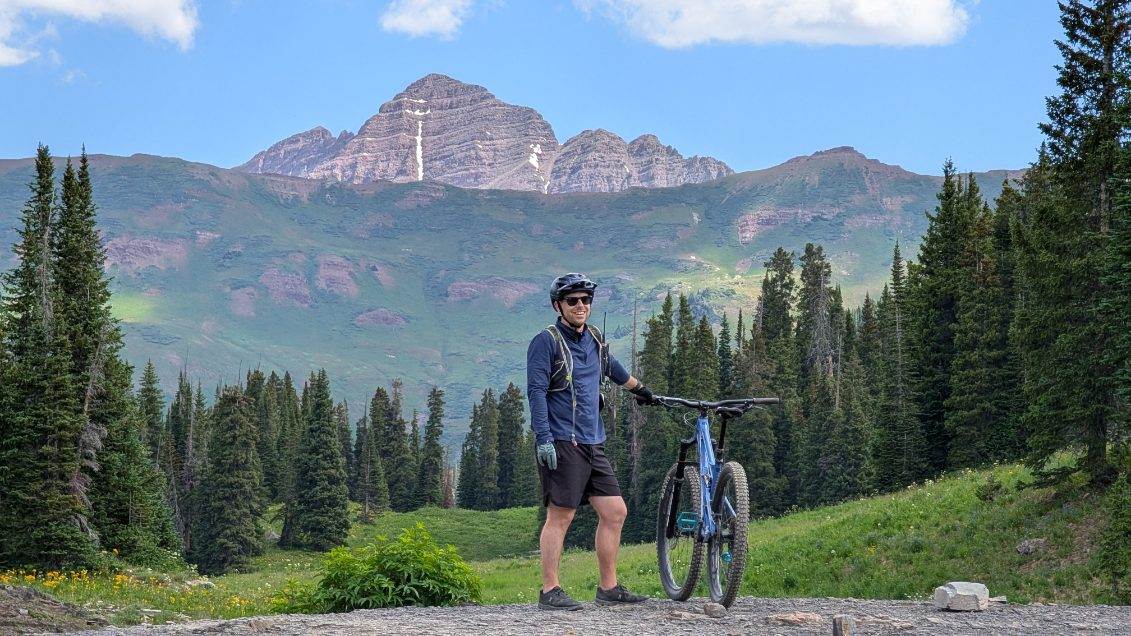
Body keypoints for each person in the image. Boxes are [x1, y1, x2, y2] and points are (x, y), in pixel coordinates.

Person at [526, 272, 656, 611]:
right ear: (558, 306)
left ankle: (608, 588)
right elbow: (536, 392)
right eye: (572, 300)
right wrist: (543, 439)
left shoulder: (594, 337)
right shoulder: (546, 341)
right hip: (562, 441)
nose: (580, 305)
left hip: (592, 441)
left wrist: (640, 389)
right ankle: (550, 590)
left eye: (585, 300)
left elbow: (612, 367)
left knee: (615, 511)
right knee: (561, 515)